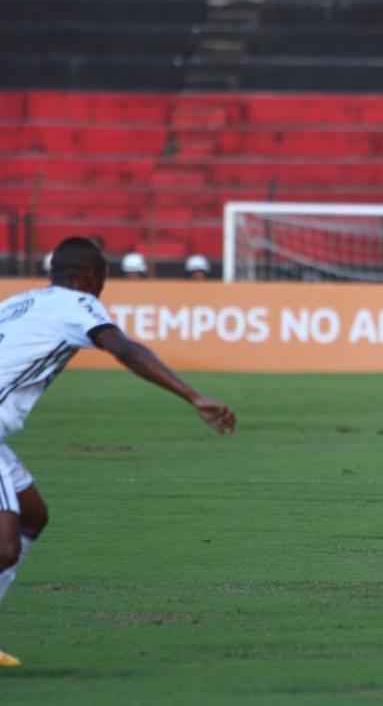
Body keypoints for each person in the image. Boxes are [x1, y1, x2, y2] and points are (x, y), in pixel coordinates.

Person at [0, 238, 236, 667]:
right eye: (103, 279)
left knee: (33, 514)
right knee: (4, 546)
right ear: (89, 276)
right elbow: (125, 349)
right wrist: (192, 395)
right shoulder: (78, 303)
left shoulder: (21, 302)